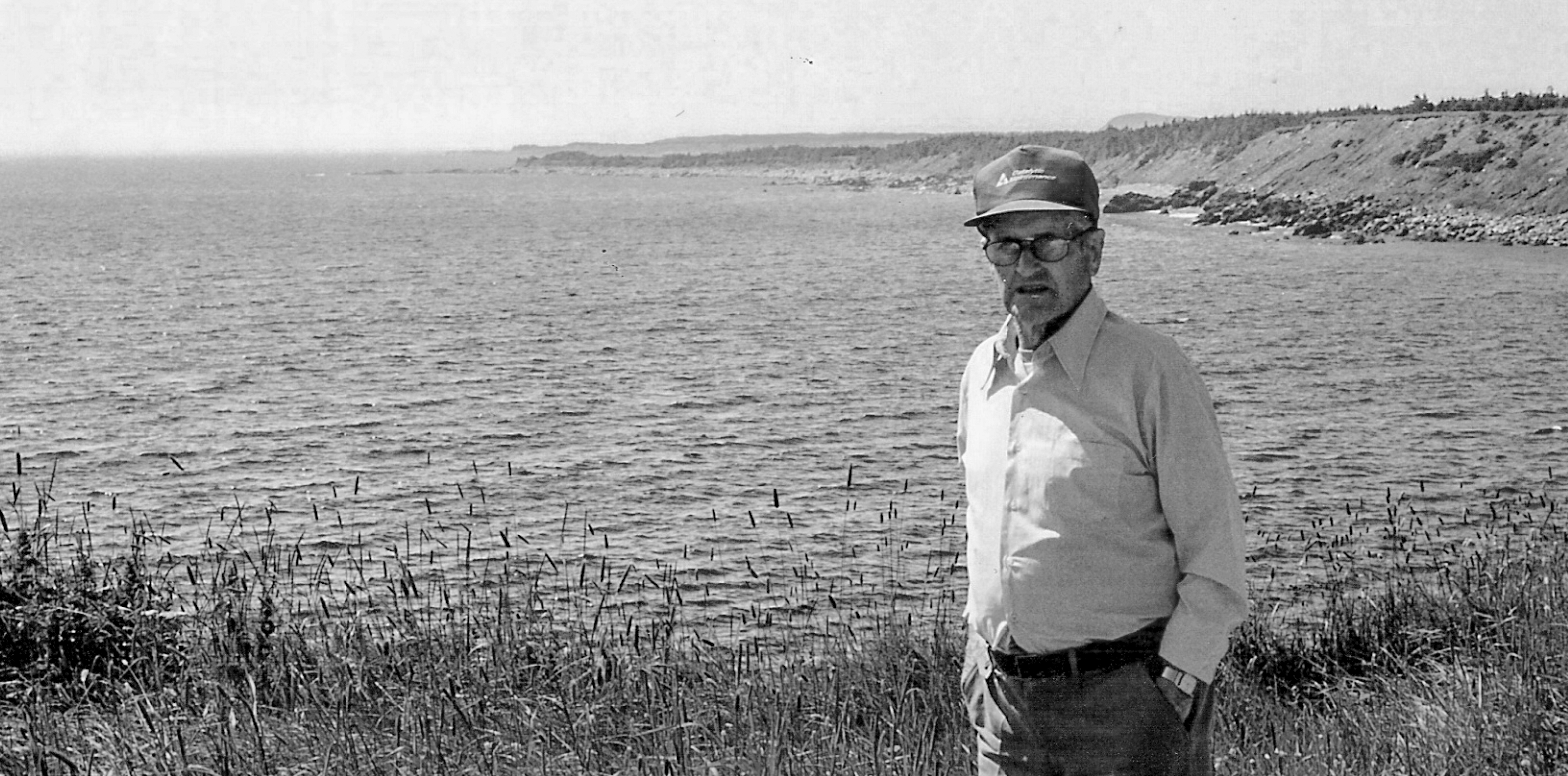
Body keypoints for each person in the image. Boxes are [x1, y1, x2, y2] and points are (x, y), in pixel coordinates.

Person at [955, 145, 1248, 776]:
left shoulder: (1151, 369)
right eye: (1006, 245)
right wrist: (978, 652)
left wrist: (1179, 676)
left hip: (1127, 704)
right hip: (1004, 708)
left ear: (1093, 249)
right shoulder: (983, 370)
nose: (1026, 265)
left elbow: (1216, 547)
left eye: (1049, 243)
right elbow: (987, 527)